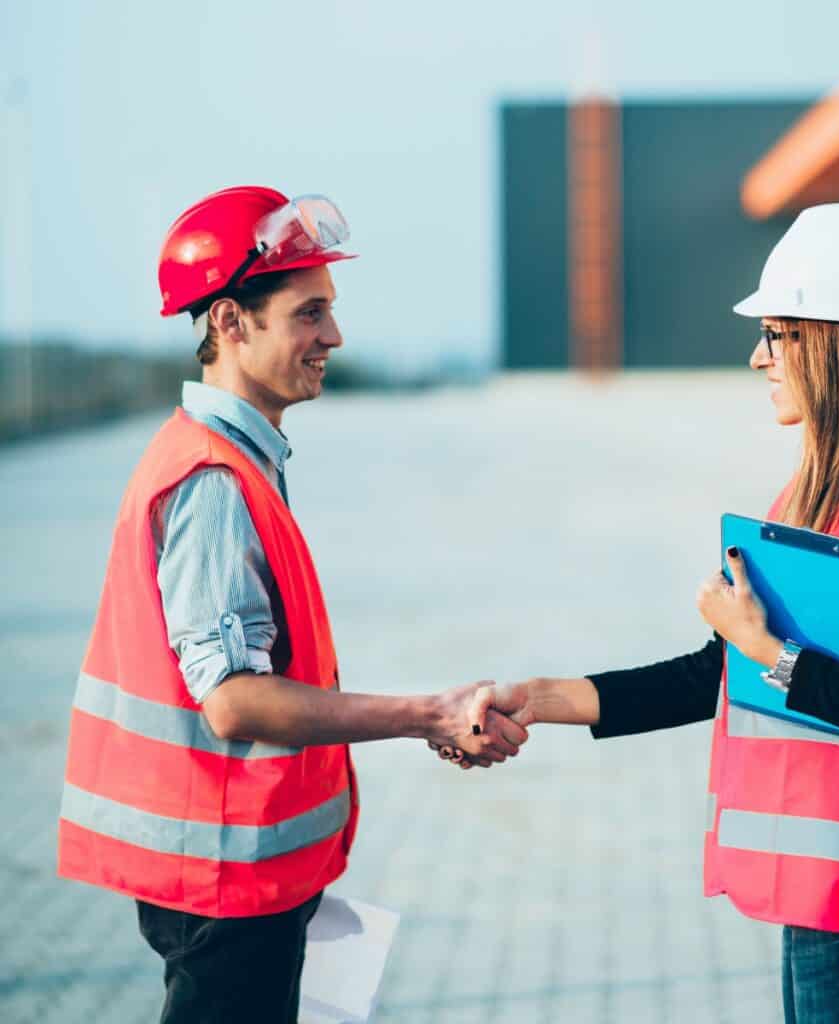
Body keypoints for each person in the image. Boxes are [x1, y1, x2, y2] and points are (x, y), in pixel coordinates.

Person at [451, 204, 839, 1022]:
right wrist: (539, 700)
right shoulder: (825, 491)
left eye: (779, 333)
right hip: (837, 901)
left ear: (834, 339)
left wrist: (774, 650)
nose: (759, 356)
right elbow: (718, 673)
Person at [57, 186, 527, 1024]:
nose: (334, 338)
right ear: (232, 323)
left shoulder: (235, 460)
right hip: (224, 880)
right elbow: (235, 701)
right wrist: (430, 712)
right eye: (309, 314)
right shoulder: (211, 481)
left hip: (244, 871)